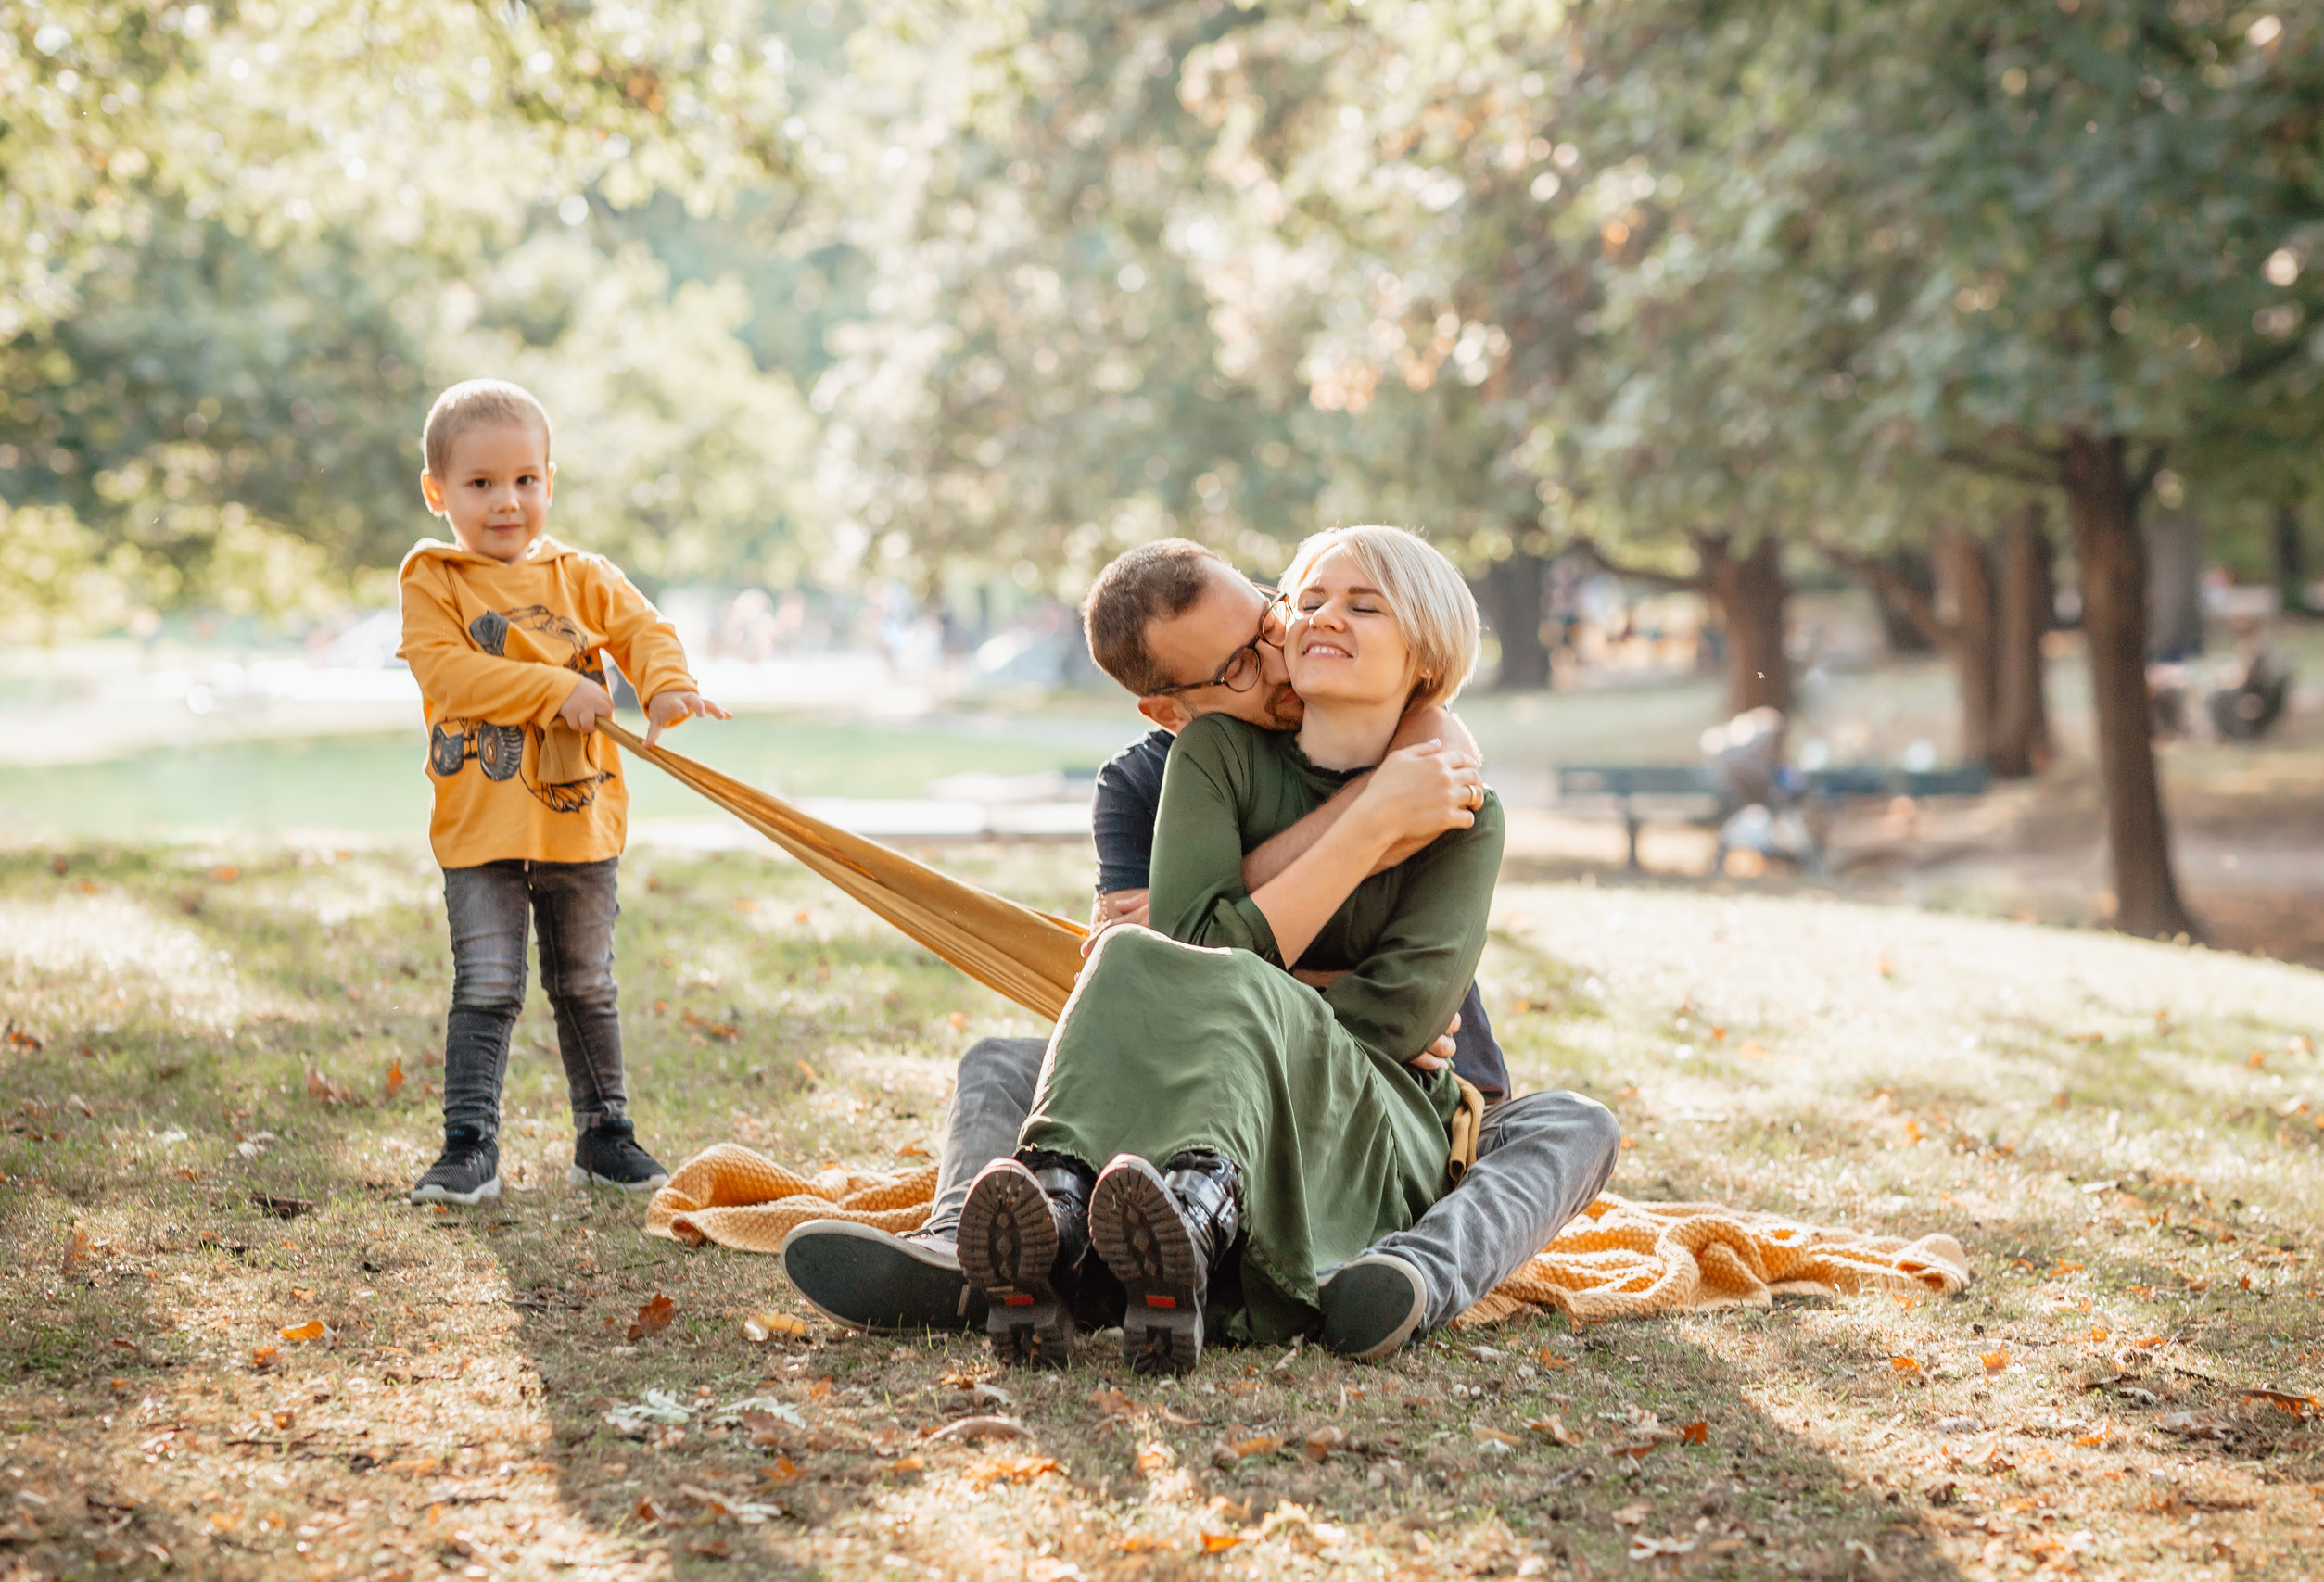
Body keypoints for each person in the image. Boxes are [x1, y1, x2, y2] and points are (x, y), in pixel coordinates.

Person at [783, 537, 1619, 1365]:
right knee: (1008, 1057)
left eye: (1270, 612)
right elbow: (1173, 962)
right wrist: (1367, 821)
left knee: (1576, 1124)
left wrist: (1226, 951)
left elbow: (1375, 1005)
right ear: (1170, 707)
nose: (1286, 644)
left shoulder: (1440, 778)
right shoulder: (1169, 774)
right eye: (1245, 661)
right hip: (1198, 1071)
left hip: (1399, 1085)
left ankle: (1406, 1275)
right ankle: (979, 1250)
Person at [397, 378, 730, 1206]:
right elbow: (449, 670)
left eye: (525, 480)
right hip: (481, 827)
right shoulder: (434, 575)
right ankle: (468, 1145)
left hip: (578, 820)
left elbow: (643, 628)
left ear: (549, 480)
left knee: (587, 981)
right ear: (438, 492)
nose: (506, 501)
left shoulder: (581, 574)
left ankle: (605, 1135)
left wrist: (665, 686)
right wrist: (553, 690)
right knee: (487, 985)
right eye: (479, 484)